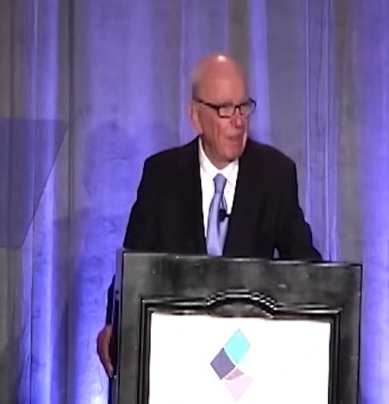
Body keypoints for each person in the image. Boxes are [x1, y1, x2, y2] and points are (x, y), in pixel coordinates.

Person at [96, 53, 322, 376]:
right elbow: (132, 267)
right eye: (225, 109)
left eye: (243, 107)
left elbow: (305, 268)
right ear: (196, 117)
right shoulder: (161, 175)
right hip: (178, 353)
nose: (239, 121)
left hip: (247, 354)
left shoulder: (275, 174)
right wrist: (114, 323)